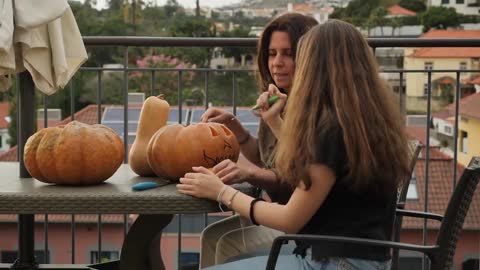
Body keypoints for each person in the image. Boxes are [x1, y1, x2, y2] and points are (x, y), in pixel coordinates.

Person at [177, 19, 411, 270]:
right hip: (360, 259)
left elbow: (290, 218)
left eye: (300, 58)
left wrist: (221, 192)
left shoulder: (331, 129)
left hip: (333, 262)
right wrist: (275, 121)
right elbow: (312, 160)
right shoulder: (359, 119)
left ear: (315, 67)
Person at [197, 13, 318, 268]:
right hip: (291, 213)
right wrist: (238, 131)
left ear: (308, 56)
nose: (278, 63)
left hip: (309, 223)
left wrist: (248, 174)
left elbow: (297, 175)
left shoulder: (313, 110)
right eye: (272, 54)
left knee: (227, 242)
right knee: (212, 236)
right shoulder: (278, 99)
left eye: (288, 53)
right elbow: (267, 159)